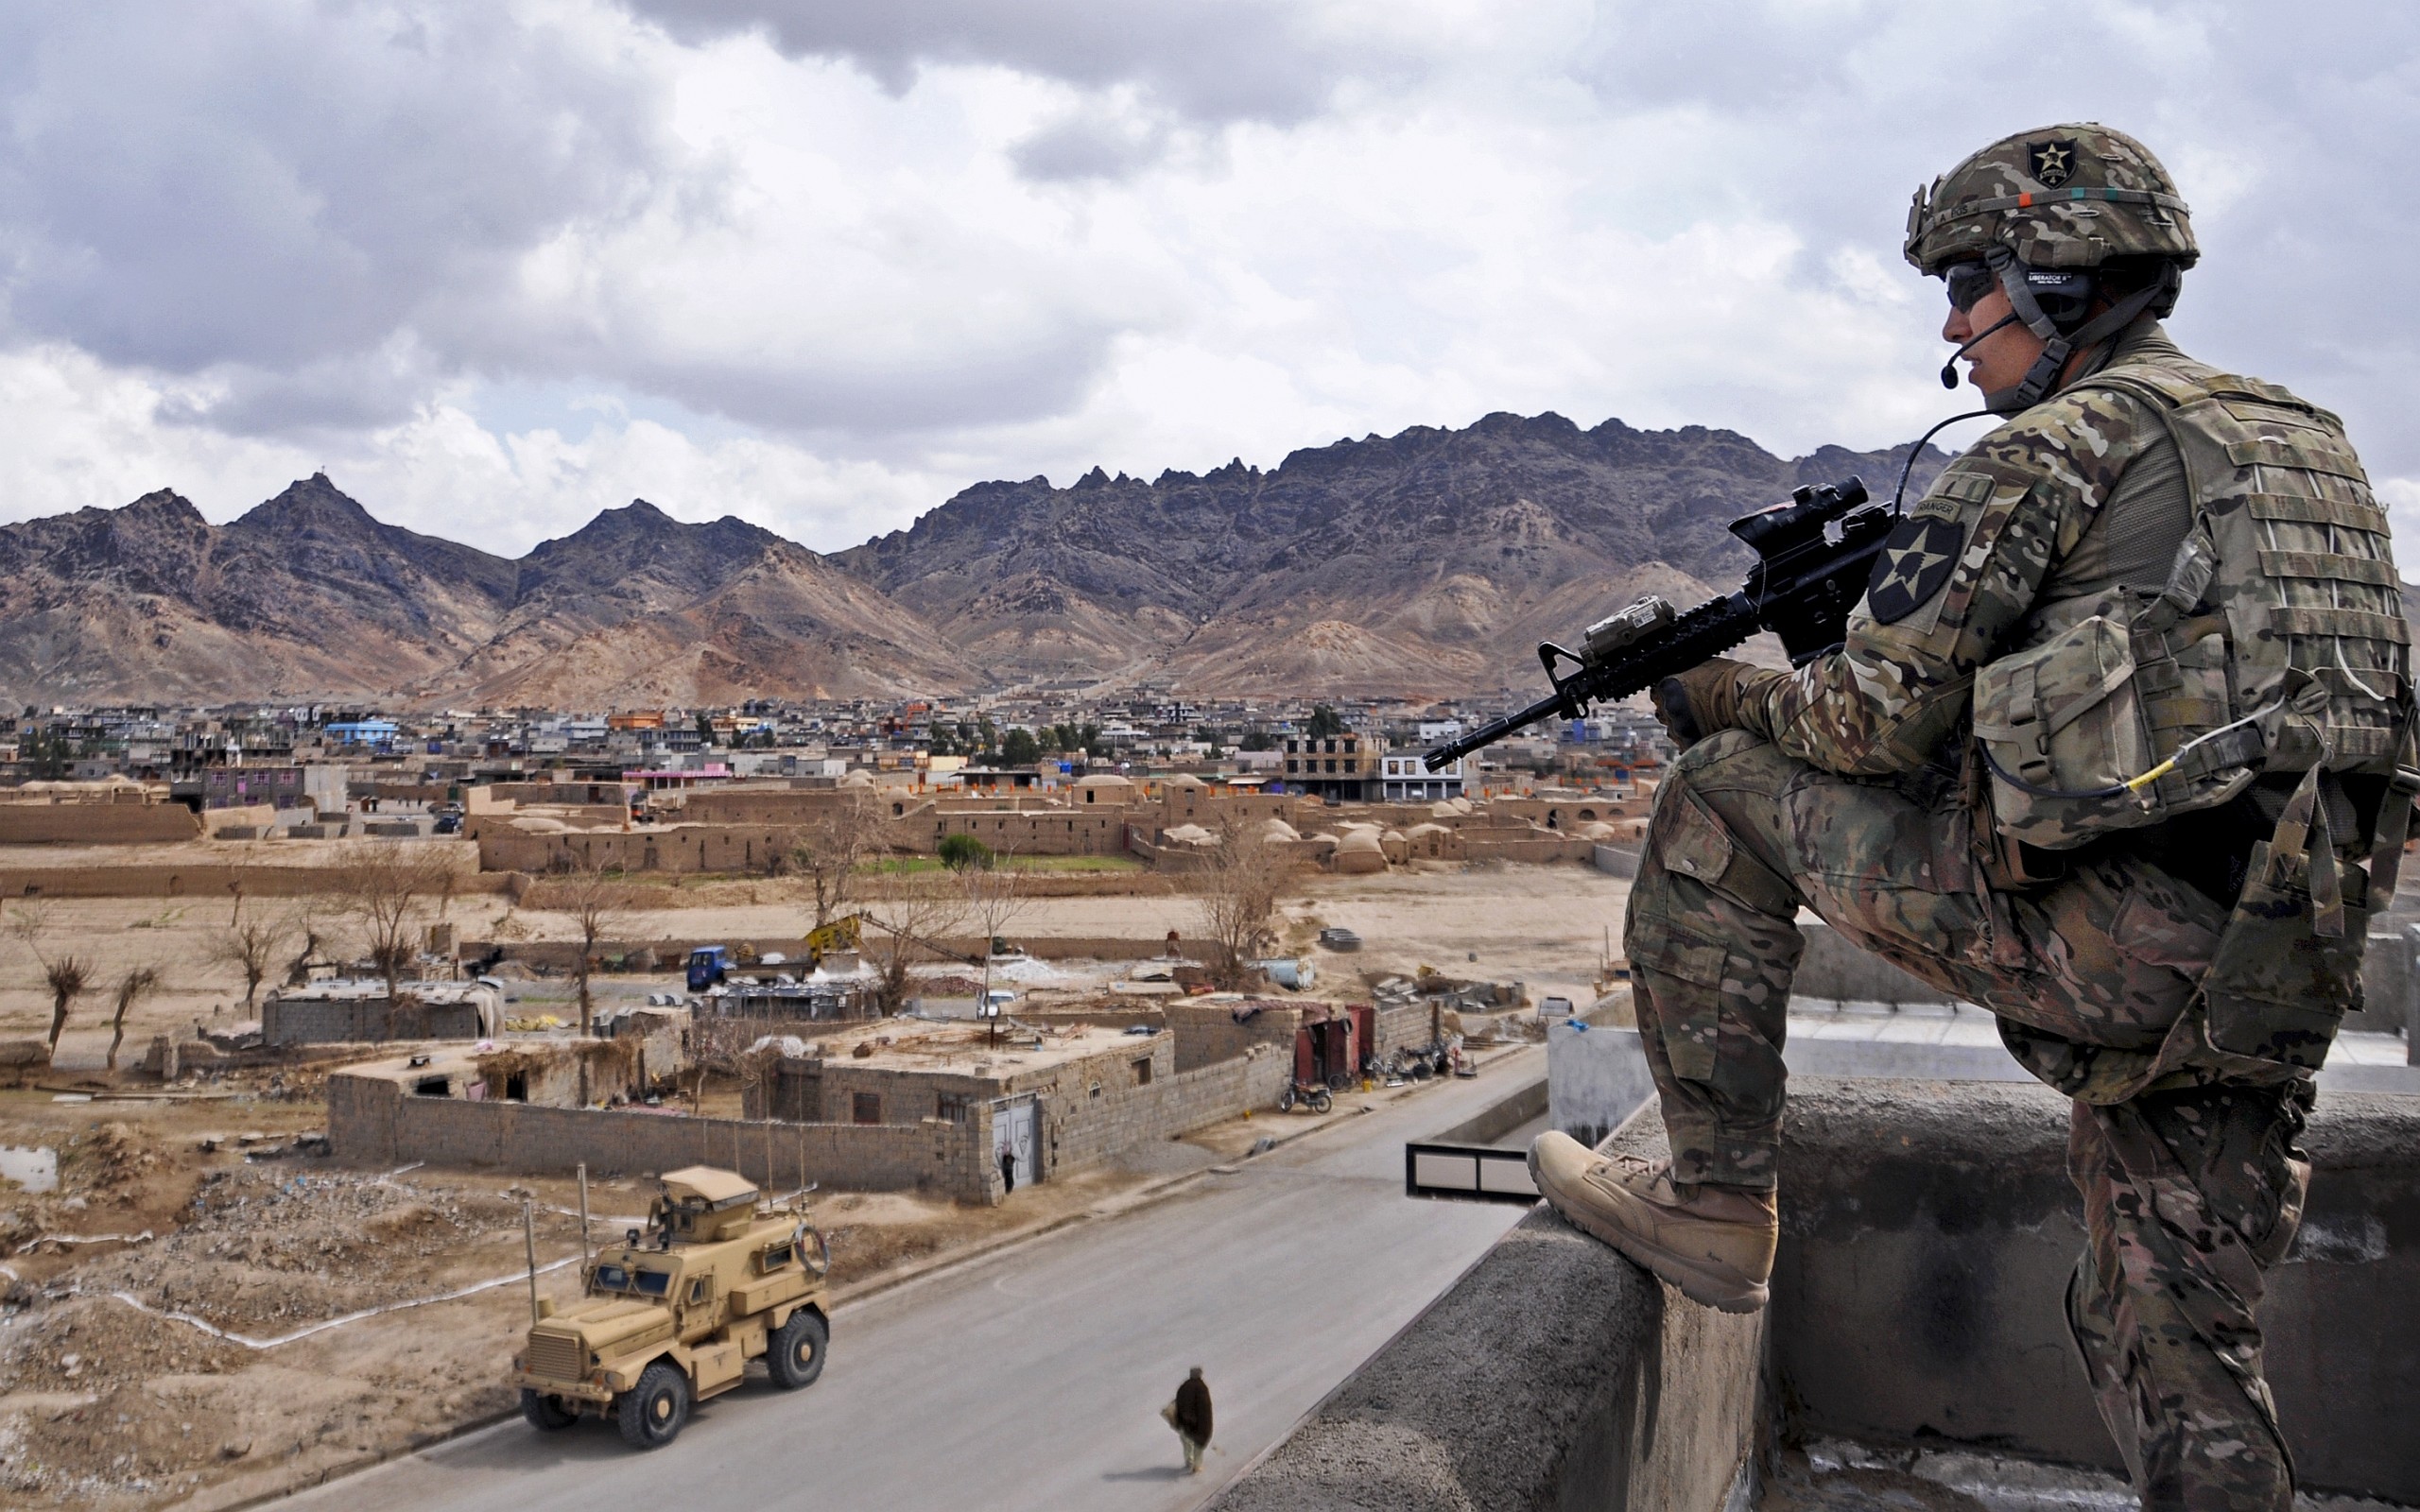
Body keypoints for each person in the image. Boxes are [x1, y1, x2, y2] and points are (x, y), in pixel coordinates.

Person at [1529, 123, 2410, 1511]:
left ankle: (1712, 1208)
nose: (1954, 327)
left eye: (1970, 284)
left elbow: (1862, 728)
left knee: (1717, 801)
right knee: (2178, 1343)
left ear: (2056, 282)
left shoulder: (2051, 449)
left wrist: (1710, 694)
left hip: (2121, 949)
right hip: (2283, 965)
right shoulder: (2311, 450)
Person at [1163, 1366, 1212, 1474]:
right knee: (1198, 1446)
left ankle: (1189, 1461)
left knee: (1187, 1442)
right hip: (1199, 1424)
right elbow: (1205, 1408)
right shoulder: (1202, 1389)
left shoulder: (1184, 1387)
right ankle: (1197, 1465)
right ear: (1200, 1375)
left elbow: (1178, 1402)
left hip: (1184, 1423)